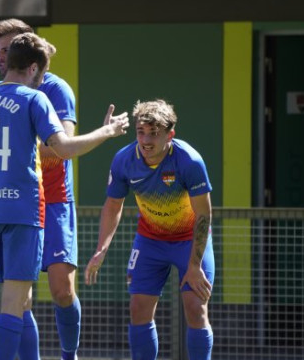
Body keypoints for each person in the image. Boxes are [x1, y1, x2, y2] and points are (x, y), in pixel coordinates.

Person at [0, 33, 129, 360]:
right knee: (14, 302)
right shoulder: (33, 99)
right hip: (25, 211)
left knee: (22, 298)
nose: (41, 81)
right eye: (41, 75)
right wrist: (108, 131)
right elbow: (64, 148)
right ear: (31, 68)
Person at [84, 99, 214, 360]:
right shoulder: (124, 159)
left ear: (170, 135)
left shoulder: (189, 160)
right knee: (138, 308)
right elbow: (112, 206)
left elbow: (203, 214)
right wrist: (101, 250)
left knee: (195, 308)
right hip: (150, 241)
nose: (145, 140)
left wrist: (194, 265)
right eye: (140, 132)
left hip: (189, 240)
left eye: (153, 134)